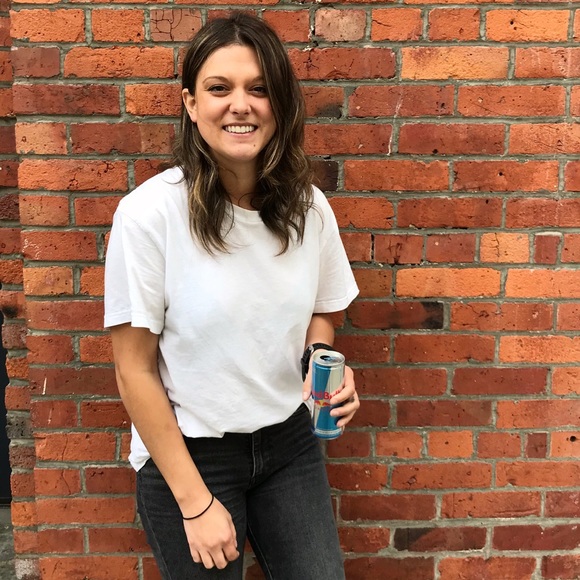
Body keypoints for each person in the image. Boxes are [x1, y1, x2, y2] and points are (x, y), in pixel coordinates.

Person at [104, 12, 359, 580]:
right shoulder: (149, 216)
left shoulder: (308, 208)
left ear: (279, 105)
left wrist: (322, 362)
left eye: (259, 89)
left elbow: (325, 308)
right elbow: (133, 370)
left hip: (289, 444)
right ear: (192, 104)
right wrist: (195, 504)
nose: (240, 105)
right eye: (220, 88)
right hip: (191, 454)